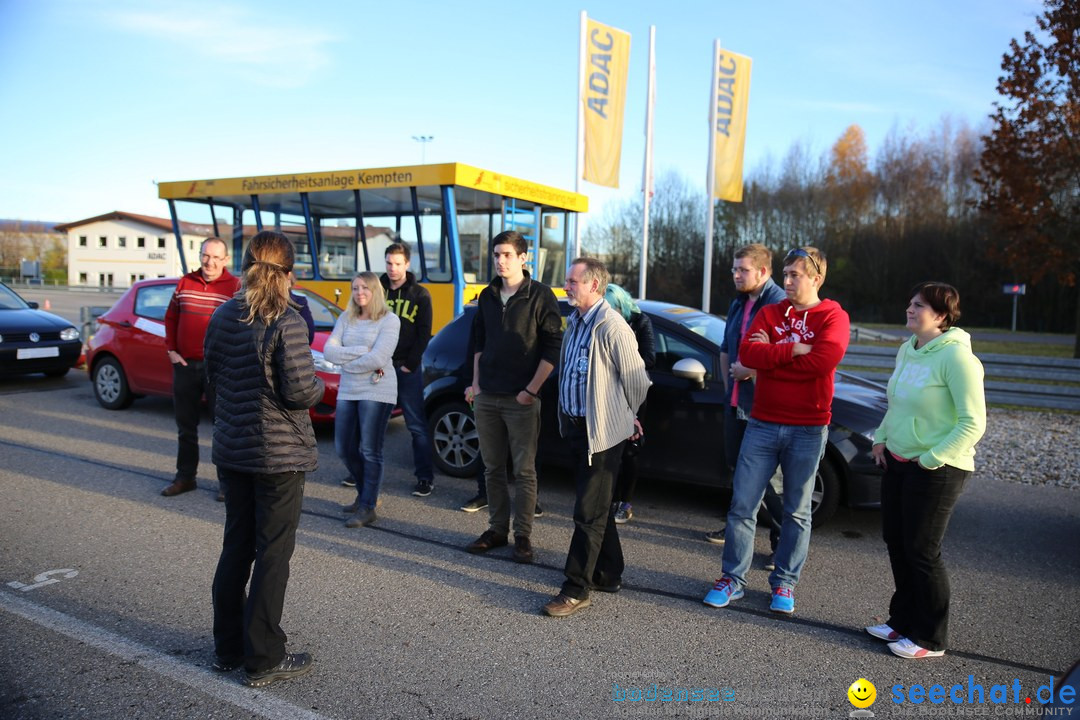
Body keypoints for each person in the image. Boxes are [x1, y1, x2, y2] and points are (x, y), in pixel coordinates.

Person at [204, 230, 324, 688]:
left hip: (234, 450)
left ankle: (227, 647)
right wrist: (316, 386)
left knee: (236, 546)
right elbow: (298, 390)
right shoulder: (286, 320)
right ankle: (263, 655)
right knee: (273, 554)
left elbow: (212, 376)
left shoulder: (222, 316)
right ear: (287, 274)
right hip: (278, 455)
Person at [703, 246, 849, 615]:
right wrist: (795, 349)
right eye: (784, 275)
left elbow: (823, 361)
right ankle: (732, 579)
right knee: (742, 506)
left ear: (817, 278)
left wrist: (777, 354)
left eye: (794, 275)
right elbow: (749, 356)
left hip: (808, 427)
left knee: (797, 511)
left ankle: (784, 583)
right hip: (763, 422)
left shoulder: (833, 315)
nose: (786, 281)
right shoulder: (770, 312)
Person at [866, 282, 985, 659]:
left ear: (942, 315)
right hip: (899, 461)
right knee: (897, 543)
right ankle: (901, 622)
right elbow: (897, 403)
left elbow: (973, 423)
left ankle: (930, 639)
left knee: (922, 551)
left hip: (937, 468)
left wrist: (931, 458)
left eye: (919, 305)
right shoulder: (907, 349)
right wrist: (880, 438)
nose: (910, 309)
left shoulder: (957, 358)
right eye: (910, 303)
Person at [543, 258, 650, 617]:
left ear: (595, 286)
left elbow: (637, 381)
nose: (566, 286)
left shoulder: (612, 326)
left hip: (602, 435)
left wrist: (625, 415)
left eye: (573, 281)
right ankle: (609, 573)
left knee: (587, 513)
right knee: (599, 507)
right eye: (567, 280)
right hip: (576, 429)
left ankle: (576, 588)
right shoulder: (575, 322)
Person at [464, 231, 562, 564]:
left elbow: (553, 347)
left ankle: (523, 536)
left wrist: (531, 390)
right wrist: (475, 385)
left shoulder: (541, 295)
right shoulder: (487, 295)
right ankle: (496, 531)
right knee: (492, 469)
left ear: (523, 258)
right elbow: (478, 341)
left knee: (524, 471)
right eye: (496, 255)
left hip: (522, 398)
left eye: (507, 254)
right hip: (487, 395)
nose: (500, 261)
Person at [704, 244, 787, 571]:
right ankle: (739, 526)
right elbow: (726, 348)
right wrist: (730, 389)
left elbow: (785, 354)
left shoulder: (779, 303)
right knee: (737, 469)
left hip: (764, 406)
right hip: (735, 402)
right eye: (734, 269)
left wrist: (749, 372)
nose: (736, 275)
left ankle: (781, 543)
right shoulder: (739, 301)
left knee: (769, 479)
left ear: (763, 272)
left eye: (743, 270)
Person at [162, 237, 241, 500]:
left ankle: (226, 483)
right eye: (206, 256)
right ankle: (185, 478)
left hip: (219, 369)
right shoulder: (185, 282)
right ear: (200, 255)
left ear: (226, 260)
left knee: (223, 428)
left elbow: (242, 327)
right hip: (185, 366)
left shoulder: (235, 287)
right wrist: (171, 350)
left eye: (216, 257)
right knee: (186, 428)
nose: (210, 262)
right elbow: (171, 316)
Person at [324, 272, 401, 528]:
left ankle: (368, 505)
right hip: (349, 389)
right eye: (355, 288)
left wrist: (347, 362)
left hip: (377, 390)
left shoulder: (389, 321)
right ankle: (365, 493)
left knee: (370, 449)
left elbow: (379, 359)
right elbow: (329, 351)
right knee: (344, 447)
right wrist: (358, 352)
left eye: (365, 288)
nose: (359, 293)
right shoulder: (347, 318)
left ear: (375, 290)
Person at [380, 242, 436, 497]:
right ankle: (364, 472)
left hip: (406, 368)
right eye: (389, 263)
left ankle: (425, 477)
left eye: (398, 264)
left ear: (407, 265)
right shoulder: (377, 291)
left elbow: (424, 334)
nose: (393, 269)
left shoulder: (420, 295)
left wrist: (409, 365)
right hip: (380, 367)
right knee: (374, 423)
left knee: (415, 425)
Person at [604, 283, 655, 525]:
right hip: (607, 391)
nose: (608, 311)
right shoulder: (600, 320)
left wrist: (622, 358)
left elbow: (649, 359)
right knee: (608, 447)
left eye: (612, 307)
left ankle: (626, 502)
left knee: (629, 449)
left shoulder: (639, 322)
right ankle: (609, 498)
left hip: (633, 391)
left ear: (621, 305)